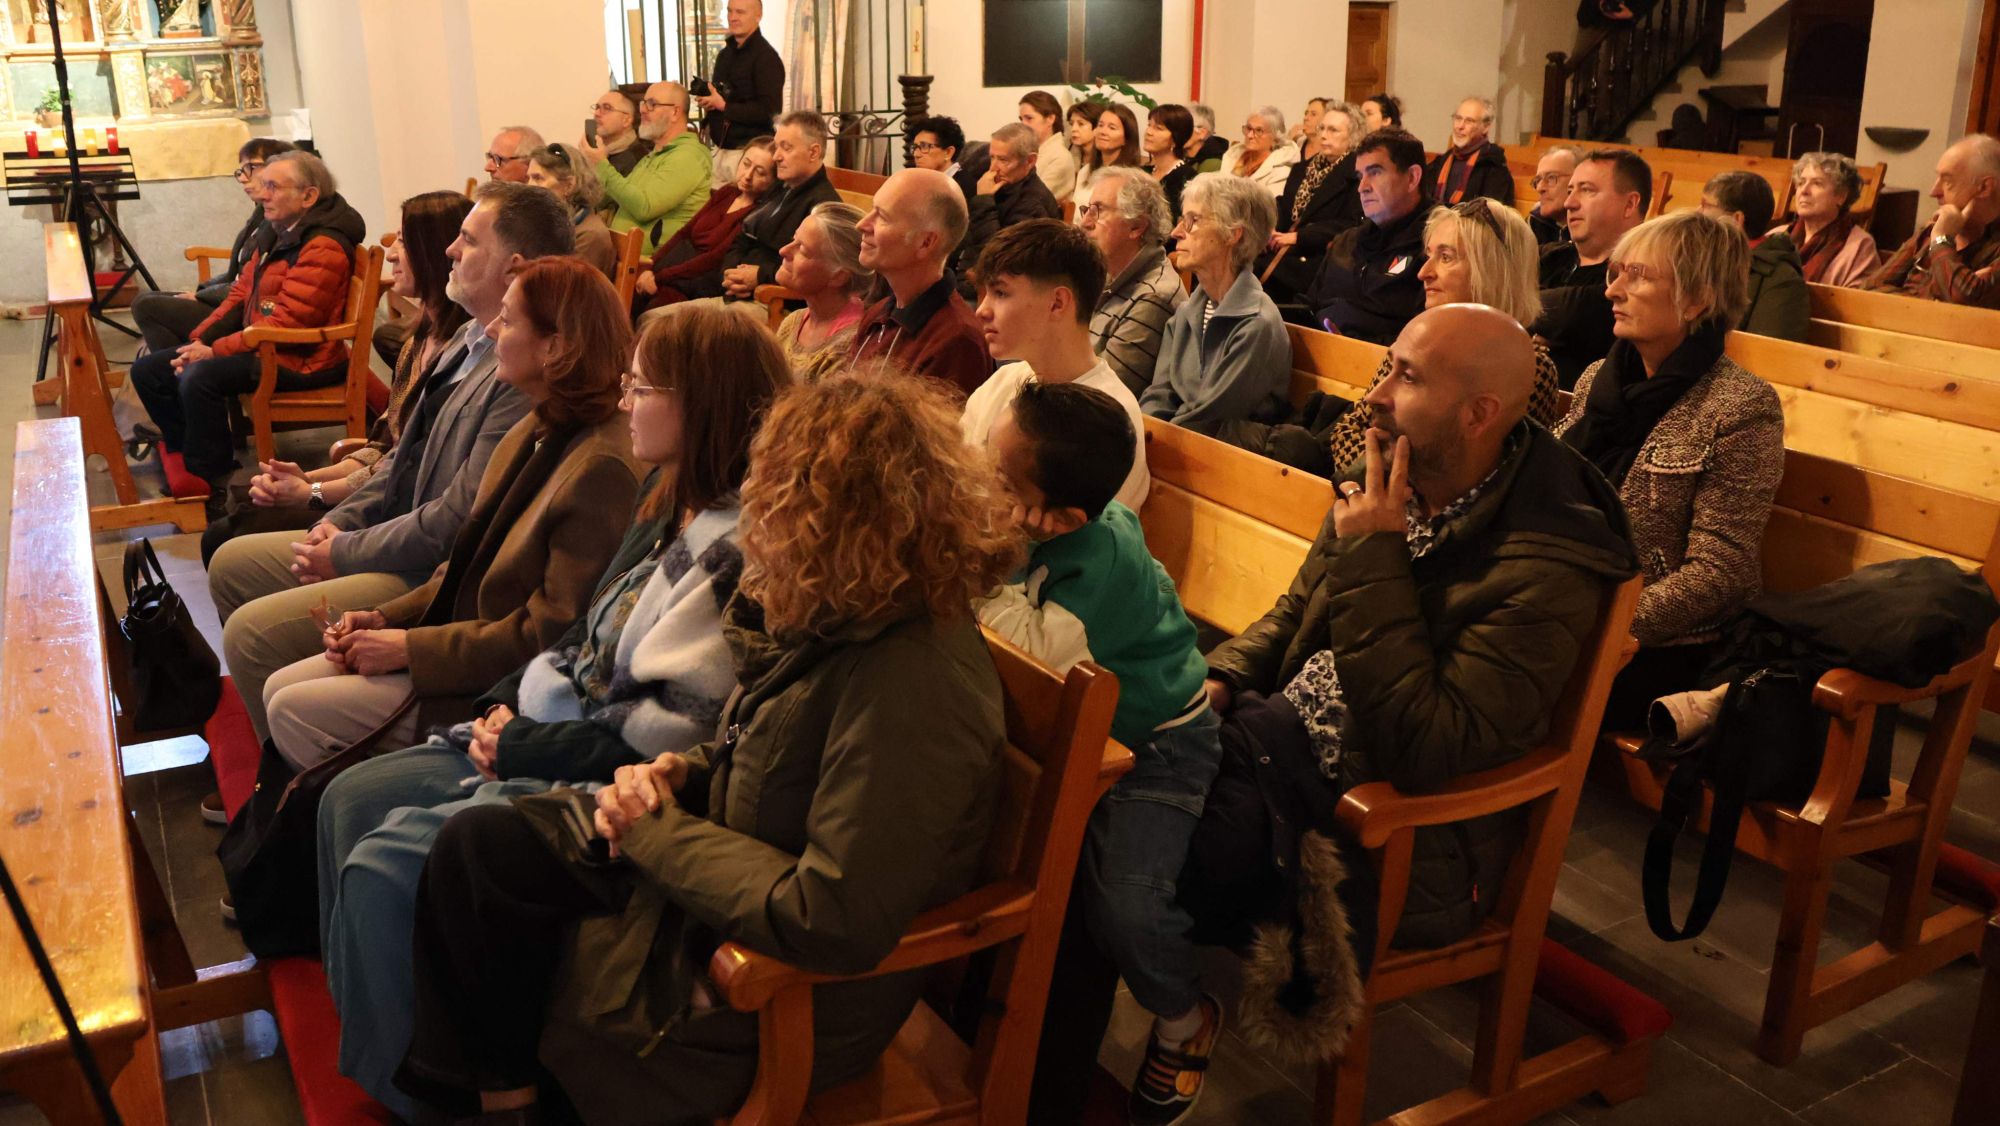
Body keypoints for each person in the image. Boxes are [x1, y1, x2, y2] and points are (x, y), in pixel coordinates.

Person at [394, 369, 1021, 1125]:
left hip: (785, 990)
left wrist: (655, 828)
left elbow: (834, 915)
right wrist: (679, 773)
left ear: (842, 522)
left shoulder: (915, 683)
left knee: (511, 934)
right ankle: (510, 1103)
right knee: (479, 852)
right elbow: (773, 751)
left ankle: (520, 1103)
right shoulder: (859, 610)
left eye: (778, 502)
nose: (758, 523)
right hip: (727, 874)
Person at [313, 305, 786, 1120]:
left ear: (701, 404)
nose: (628, 401)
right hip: (548, 724)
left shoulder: (734, 545)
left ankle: (420, 1095)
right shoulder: (666, 497)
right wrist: (502, 707)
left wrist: (524, 740)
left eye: (646, 387)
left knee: (384, 864)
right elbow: (577, 636)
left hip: (607, 777)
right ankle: (383, 1053)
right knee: (345, 801)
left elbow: (678, 727)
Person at [1177, 304, 1637, 1085]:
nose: (1373, 395)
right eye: (1386, 366)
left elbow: (1427, 748)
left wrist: (1377, 554)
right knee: (1108, 782)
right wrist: (1218, 678)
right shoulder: (1391, 473)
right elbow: (1294, 617)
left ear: (1479, 412)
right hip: (1274, 743)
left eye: (1407, 376)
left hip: (1386, 829)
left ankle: (1115, 1044)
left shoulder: (1546, 562)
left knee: (1131, 847)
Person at [207, 182, 571, 748]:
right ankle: (277, 767)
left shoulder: (517, 368)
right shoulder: (467, 336)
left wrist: (343, 545)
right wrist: (340, 516)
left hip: (430, 568)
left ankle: (285, 790)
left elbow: (459, 515)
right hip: (399, 536)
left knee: (254, 638)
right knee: (231, 559)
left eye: (468, 241)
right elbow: (403, 458)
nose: (450, 250)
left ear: (513, 266)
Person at [261, 257, 642, 769]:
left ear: (554, 347)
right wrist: (384, 617)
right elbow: (466, 562)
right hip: (458, 638)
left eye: (507, 320)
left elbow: (551, 635)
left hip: (498, 691)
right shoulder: (536, 422)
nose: (489, 328)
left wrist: (411, 649)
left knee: (292, 708)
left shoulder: (600, 467)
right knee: (280, 687)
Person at [972, 381, 1220, 1126]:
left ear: (1060, 517)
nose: (980, 483)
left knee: (1126, 906)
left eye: (1000, 481)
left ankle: (1183, 1015)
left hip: (1160, 741)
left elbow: (1039, 660)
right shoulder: (1038, 518)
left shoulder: (1100, 555)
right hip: (1080, 738)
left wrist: (973, 561)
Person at [1556, 211, 1784, 726]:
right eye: (1616, 273)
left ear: (1697, 299)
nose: (1613, 291)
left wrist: (1603, 623)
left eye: (1638, 276)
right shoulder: (1600, 378)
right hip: (1566, 603)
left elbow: (1721, 572)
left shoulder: (1741, 406)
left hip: (1663, 642)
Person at [200, 191, 474, 566]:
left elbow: (401, 469)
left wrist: (310, 491)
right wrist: (305, 479)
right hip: (374, 491)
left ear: (436, 253)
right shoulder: (418, 340)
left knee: (230, 533)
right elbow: (382, 446)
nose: (392, 253)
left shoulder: (460, 356)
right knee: (241, 506)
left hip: (395, 511)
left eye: (404, 243)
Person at [131, 151, 365, 513]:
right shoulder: (278, 232)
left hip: (301, 358)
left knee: (200, 375)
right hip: (268, 345)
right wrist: (201, 340)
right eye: (263, 185)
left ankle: (215, 478)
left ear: (308, 196)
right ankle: (185, 453)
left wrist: (215, 352)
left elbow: (288, 321)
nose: (261, 194)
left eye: (273, 186)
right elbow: (240, 294)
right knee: (149, 370)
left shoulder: (323, 245)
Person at [1320, 199, 1563, 474]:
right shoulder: (1414, 343)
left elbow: (1480, 477)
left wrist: (1389, 479)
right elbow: (1348, 430)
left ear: (1493, 271)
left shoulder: (1530, 369)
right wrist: (1379, 479)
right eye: (1429, 256)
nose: (1424, 273)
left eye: (1446, 257)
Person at [962, 219, 1149, 512]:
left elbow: (1097, 540)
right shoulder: (1006, 379)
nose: (982, 310)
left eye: (1000, 293)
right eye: (984, 293)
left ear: (1058, 303)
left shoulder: (1110, 418)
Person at [1140, 172, 1290, 432]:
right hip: (1172, 447)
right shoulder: (1186, 313)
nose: (1177, 232)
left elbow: (1208, 418)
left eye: (1193, 221)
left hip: (1225, 461)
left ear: (1233, 234)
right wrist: (1146, 432)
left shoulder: (1256, 324)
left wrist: (1153, 439)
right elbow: (1159, 395)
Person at [131, 137, 294, 355]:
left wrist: (202, 297)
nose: (244, 178)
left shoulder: (281, 220)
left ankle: (175, 364)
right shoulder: (261, 213)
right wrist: (202, 291)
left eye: (251, 167)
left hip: (242, 312)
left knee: (148, 307)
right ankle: (176, 361)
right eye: (241, 170)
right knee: (146, 299)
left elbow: (255, 284)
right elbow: (236, 272)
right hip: (231, 300)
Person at [851, 168, 993, 395]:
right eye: (871, 210)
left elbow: (930, 430)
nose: (862, 224)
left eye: (883, 217)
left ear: (926, 242)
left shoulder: (956, 339)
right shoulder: (877, 313)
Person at [1532, 147, 1651, 387]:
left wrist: (1520, 319)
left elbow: (1577, 310)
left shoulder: (1641, 274)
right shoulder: (1552, 256)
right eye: (1569, 191)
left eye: (1586, 190)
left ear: (1630, 204)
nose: (1569, 203)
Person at [1306, 128, 1432, 344]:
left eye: (1375, 172)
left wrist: (1354, 344)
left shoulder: (1436, 247)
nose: (1362, 188)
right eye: (1360, 176)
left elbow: (1428, 339)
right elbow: (1310, 307)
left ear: (1412, 178)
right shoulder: (1345, 243)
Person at [634, 136, 777, 314]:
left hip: (700, 281)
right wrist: (651, 265)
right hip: (675, 269)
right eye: (746, 164)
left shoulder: (759, 212)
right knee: (631, 292)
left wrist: (659, 277)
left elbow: (714, 258)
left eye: (760, 172)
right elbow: (684, 232)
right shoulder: (727, 192)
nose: (747, 175)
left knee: (658, 306)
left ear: (773, 179)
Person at [712, 110, 840, 303]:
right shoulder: (779, 187)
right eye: (777, 147)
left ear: (813, 152)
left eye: (786, 148)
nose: (776, 157)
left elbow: (814, 273)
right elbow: (742, 238)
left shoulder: (823, 206)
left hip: (772, 303)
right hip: (734, 293)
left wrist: (760, 276)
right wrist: (730, 274)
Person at [1865, 133, 2000, 307]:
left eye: (1947, 181)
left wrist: (1941, 240)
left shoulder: (1938, 233)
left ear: (1984, 187)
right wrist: (1936, 301)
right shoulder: (1930, 232)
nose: (1934, 191)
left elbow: (1965, 298)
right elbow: (1868, 289)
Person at [1083, 171, 1186, 396]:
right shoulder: (1104, 273)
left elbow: (1103, 395)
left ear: (1136, 227)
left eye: (1097, 211)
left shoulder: (1154, 297)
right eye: (1086, 210)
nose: (1085, 222)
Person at [579, 81, 710, 254]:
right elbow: (611, 197)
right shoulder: (653, 155)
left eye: (652, 104)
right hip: (623, 255)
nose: (642, 110)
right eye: (643, 103)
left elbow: (645, 208)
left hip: (651, 265)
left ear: (675, 112)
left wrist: (601, 164)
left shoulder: (689, 156)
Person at [1262, 99, 1366, 303]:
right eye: (1323, 128)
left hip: (1319, 256)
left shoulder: (1357, 174)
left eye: (1334, 130)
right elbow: (1285, 208)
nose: (1324, 135)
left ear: (1353, 137)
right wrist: (1270, 229)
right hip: (1283, 249)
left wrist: (1300, 237)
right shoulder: (1302, 169)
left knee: (1267, 279)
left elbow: (1351, 224)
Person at [951, 122, 1062, 296]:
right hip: (969, 281)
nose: (993, 167)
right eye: (992, 157)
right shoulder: (999, 185)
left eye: (1003, 160)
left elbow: (998, 258)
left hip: (998, 291)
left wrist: (983, 201)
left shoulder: (1033, 203)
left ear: (1030, 160)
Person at [1701, 170, 1807, 341]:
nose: (1698, 212)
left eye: (1705, 205)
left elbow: (1770, 355)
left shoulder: (1782, 281)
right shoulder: (1703, 259)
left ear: (1736, 219)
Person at [774, 201, 874, 381]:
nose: (784, 251)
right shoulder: (792, 322)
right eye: (793, 239)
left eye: (803, 250)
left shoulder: (850, 344)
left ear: (838, 276)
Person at [696, 0, 785, 187]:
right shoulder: (725, 55)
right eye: (729, 11)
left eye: (740, 12)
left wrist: (724, 106)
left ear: (758, 15)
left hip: (747, 154)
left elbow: (770, 111)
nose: (732, 17)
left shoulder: (766, 58)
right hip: (720, 149)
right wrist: (711, 101)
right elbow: (724, 96)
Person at [1779, 151, 1880, 287]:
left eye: (1817, 183)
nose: (1804, 191)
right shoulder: (1777, 235)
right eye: (1801, 182)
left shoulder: (1859, 246)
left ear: (1841, 196)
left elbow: (1857, 303)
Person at [524, 144, 618, 278]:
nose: (529, 186)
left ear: (569, 185)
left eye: (538, 178)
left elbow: (564, 290)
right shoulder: (550, 224)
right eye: (528, 178)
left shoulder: (589, 235)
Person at [1424, 96, 1512, 206]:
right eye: (1458, 118)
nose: (1460, 126)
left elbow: (1490, 216)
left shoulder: (1494, 168)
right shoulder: (1441, 163)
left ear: (1486, 127)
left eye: (1469, 121)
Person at [1075, 102, 1145, 214]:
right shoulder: (1085, 171)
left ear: (1126, 138)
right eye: (1100, 125)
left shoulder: (1130, 179)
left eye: (1112, 128)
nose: (1103, 132)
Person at [1221, 106, 1299, 199]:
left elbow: (1266, 208)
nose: (1250, 135)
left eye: (1259, 131)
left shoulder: (1281, 172)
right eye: (1249, 128)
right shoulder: (1233, 156)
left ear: (1275, 138)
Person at [1021, 90, 1079, 200]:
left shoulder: (1060, 157)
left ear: (1050, 119)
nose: (1023, 124)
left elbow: (1032, 199)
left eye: (1029, 118)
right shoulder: (1031, 151)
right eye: (1021, 119)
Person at [1142, 103, 1198, 218]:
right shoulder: (1143, 172)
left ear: (1175, 139)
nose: (1148, 132)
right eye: (1149, 125)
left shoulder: (1186, 177)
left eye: (1158, 128)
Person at [589, 88, 653, 177]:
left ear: (626, 120)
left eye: (607, 108)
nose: (597, 113)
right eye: (597, 107)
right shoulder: (594, 152)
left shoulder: (639, 160)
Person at [1528, 146, 1579, 247]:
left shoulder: (1594, 231)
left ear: (1578, 179)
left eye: (1551, 177)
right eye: (1538, 180)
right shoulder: (1533, 223)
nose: (1540, 188)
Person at [912, 115, 968, 181]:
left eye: (925, 146)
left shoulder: (961, 186)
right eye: (915, 147)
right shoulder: (924, 182)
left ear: (948, 152)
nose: (916, 154)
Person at [1185, 103, 1228, 172]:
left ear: (1202, 133)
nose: (1177, 131)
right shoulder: (1179, 154)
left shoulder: (1213, 162)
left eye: (1184, 126)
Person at [1067, 100, 1107, 173]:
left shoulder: (1105, 159)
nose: (1073, 129)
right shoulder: (1069, 154)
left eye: (1081, 124)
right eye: (1071, 124)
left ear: (1097, 127)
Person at [1290, 96, 1329, 161]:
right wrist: (1289, 141)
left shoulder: (1329, 150)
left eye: (1313, 114)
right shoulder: (1299, 143)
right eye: (1306, 113)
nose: (1305, 118)